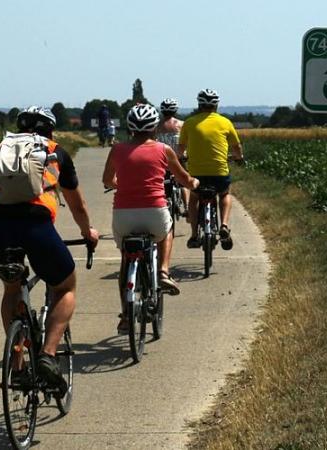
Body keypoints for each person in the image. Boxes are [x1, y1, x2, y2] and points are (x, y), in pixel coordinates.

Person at [0, 106, 99, 393]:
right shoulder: (55, 152)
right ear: (51, 129)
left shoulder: (1, 149)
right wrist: (87, 232)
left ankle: (18, 365)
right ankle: (47, 355)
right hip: (36, 226)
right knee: (65, 286)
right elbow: (77, 204)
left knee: (12, 289)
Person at [102, 104, 199, 333]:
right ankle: (163, 271)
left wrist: (121, 185)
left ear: (130, 127)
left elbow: (107, 180)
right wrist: (194, 183)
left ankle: (126, 315)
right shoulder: (164, 149)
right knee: (167, 231)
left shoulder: (116, 150)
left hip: (124, 215)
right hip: (154, 211)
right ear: (154, 127)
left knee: (127, 260)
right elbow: (183, 179)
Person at [179, 89, 244, 250]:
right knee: (225, 193)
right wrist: (239, 158)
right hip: (219, 172)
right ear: (216, 105)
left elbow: (180, 149)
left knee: (194, 198)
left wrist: (181, 158)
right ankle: (224, 225)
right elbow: (236, 147)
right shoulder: (225, 122)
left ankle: (194, 234)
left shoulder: (189, 122)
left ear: (199, 105)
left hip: (197, 173)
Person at [156, 98, 189, 217]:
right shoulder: (182, 124)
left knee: (162, 183)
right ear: (175, 110)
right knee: (183, 183)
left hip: (161, 160)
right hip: (179, 159)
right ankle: (186, 208)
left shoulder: (157, 125)